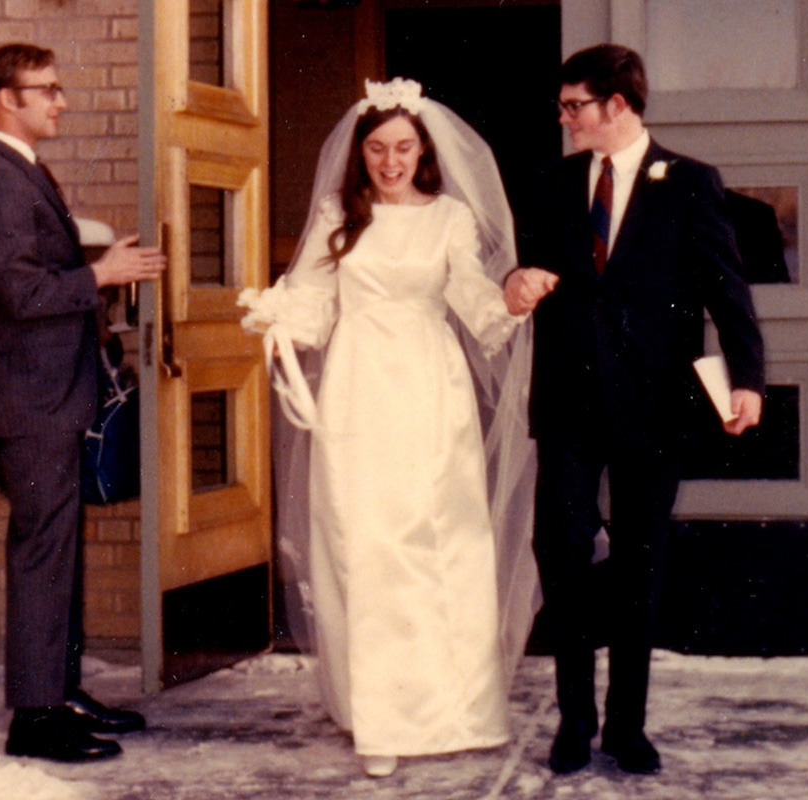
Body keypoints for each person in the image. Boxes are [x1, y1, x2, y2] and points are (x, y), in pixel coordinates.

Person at [240, 78, 541, 779]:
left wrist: (511, 299)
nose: (391, 161)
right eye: (377, 148)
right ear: (361, 152)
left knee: (443, 539)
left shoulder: (449, 221)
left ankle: (459, 709)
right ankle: (380, 714)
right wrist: (277, 317)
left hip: (433, 391)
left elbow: (472, 300)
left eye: (404, 147)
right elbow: (314, 303)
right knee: (367, 542)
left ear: (424, 150)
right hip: (358, 389)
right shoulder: (336, 214)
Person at [504, 44, 766, 776]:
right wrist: (515, 282)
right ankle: (573, 720)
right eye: (562, 107)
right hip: (566, 405)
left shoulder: (689, 184)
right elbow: (523, 268)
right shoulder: (553, 183)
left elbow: (727, 289)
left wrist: (746, 376)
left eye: (574, 106)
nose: (564, 120)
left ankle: (626, 726)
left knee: (641, 562)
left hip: (653, 408)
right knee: (560, 552)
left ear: (619, 104)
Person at [0, 43, 166, 763]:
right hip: (30, 398)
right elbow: (21, 293)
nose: (60, 101)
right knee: (43, 553)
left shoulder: (20, 170)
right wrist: (101, 272)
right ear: (7, 99)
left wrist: (98, 268)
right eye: (46, 90)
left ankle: (62, 693)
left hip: (47, 394)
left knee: (57, 550)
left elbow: (42, 273)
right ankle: (35, 719)